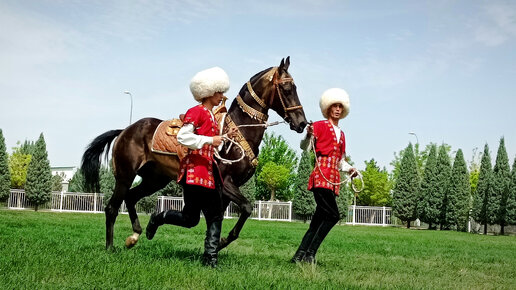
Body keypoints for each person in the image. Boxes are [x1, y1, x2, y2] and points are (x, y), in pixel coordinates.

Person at [146, 67, 237, 268]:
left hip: (208, 170)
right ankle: (160, 218)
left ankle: (210, 259)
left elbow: (208, 142)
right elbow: (183, 137)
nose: (223, 96)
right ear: (209, 92)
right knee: (196, 218)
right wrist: (209, 139)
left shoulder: (212, 115)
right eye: (220, 92)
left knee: (203, 216)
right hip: (194, 172)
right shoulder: (196, 112)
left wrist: (221, 140)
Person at [291, 88, 358, 264]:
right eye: (334, 106)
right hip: (321, 176)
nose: (337, 109)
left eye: (340, 106)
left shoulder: (342, 135)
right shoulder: (319, 126)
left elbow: (340, 161)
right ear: (328, 108)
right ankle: (310, 254)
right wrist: (308, 136)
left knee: (317, 221)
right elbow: (304, 147)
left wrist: (350, 169)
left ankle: (299, 256)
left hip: (334, 178)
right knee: (333, 215)